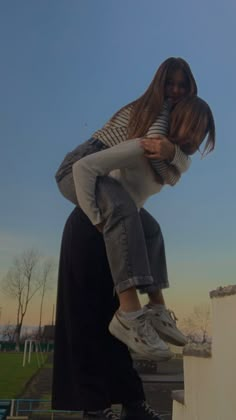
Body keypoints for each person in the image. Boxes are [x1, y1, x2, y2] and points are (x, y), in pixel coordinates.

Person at [55, 57, 215, 361]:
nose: (176, 90)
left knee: (151, 229)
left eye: (183, 85)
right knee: (121, 207)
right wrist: (97, 220)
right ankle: (128, 314)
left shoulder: (165, 154)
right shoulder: (149, 126)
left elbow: (179, 162)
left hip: (105, 173)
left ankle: (156, 309)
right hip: (77, 168)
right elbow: (83, 169)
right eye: (170, 83)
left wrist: (173, 152)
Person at [52, 206, 170, 420]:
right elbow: (68, 178)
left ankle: (133, 402)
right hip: (89, 222)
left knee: (117, 324)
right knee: (87, 317)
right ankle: (95, 407)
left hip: (118, 222)